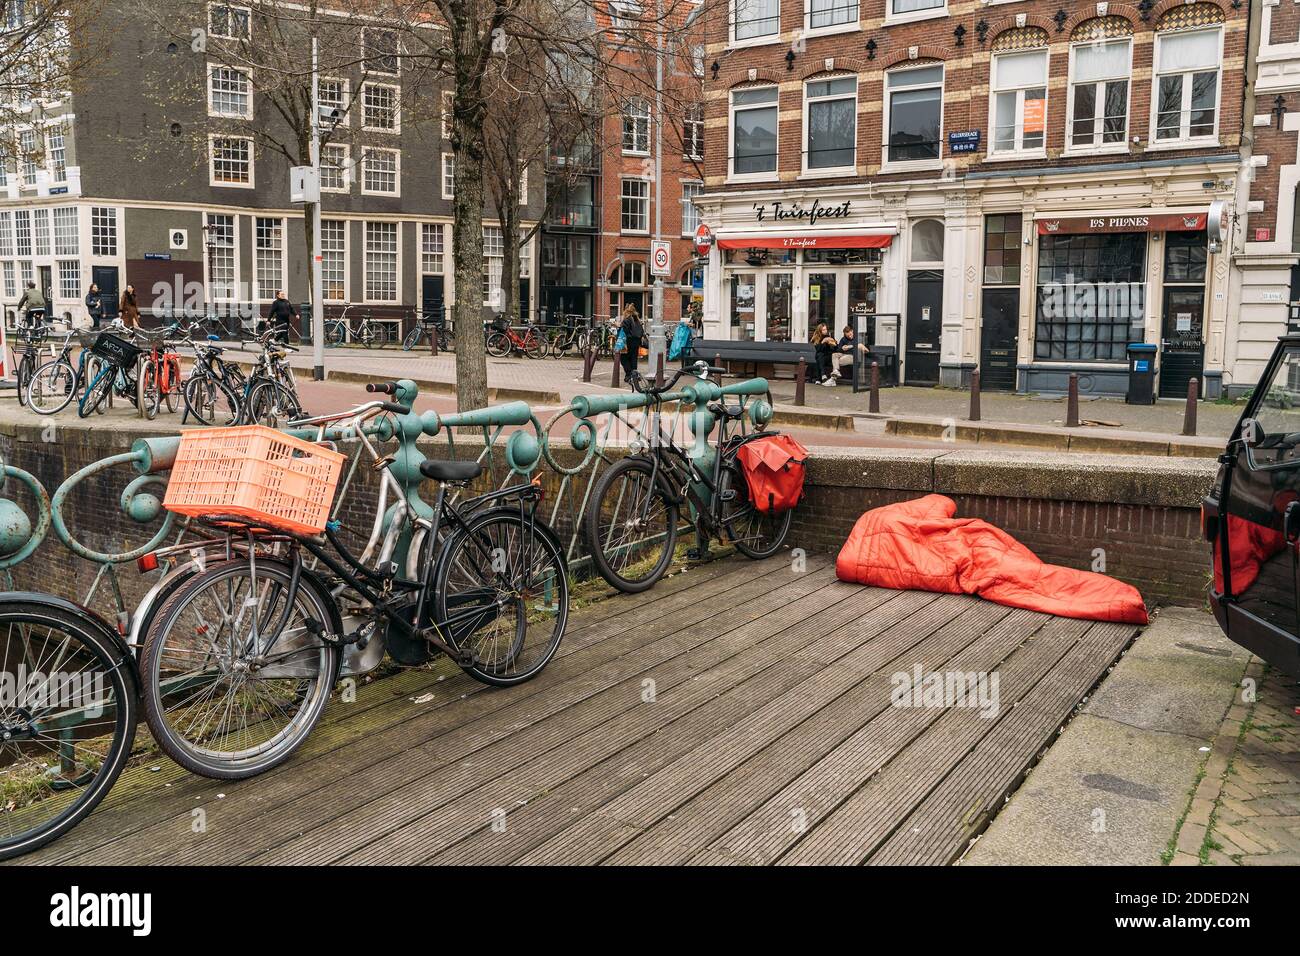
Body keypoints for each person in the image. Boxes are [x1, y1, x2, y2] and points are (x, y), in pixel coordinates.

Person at [619, 302, 644, 384]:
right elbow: (641, 331)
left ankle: (629, 375)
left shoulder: (626, 320)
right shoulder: (637, 319)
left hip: (628, 342)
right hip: (636, 342)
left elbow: (624, 331)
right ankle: (634, 375)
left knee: (623, 359)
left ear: (626, 311)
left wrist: (618, 326)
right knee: (633, 358)